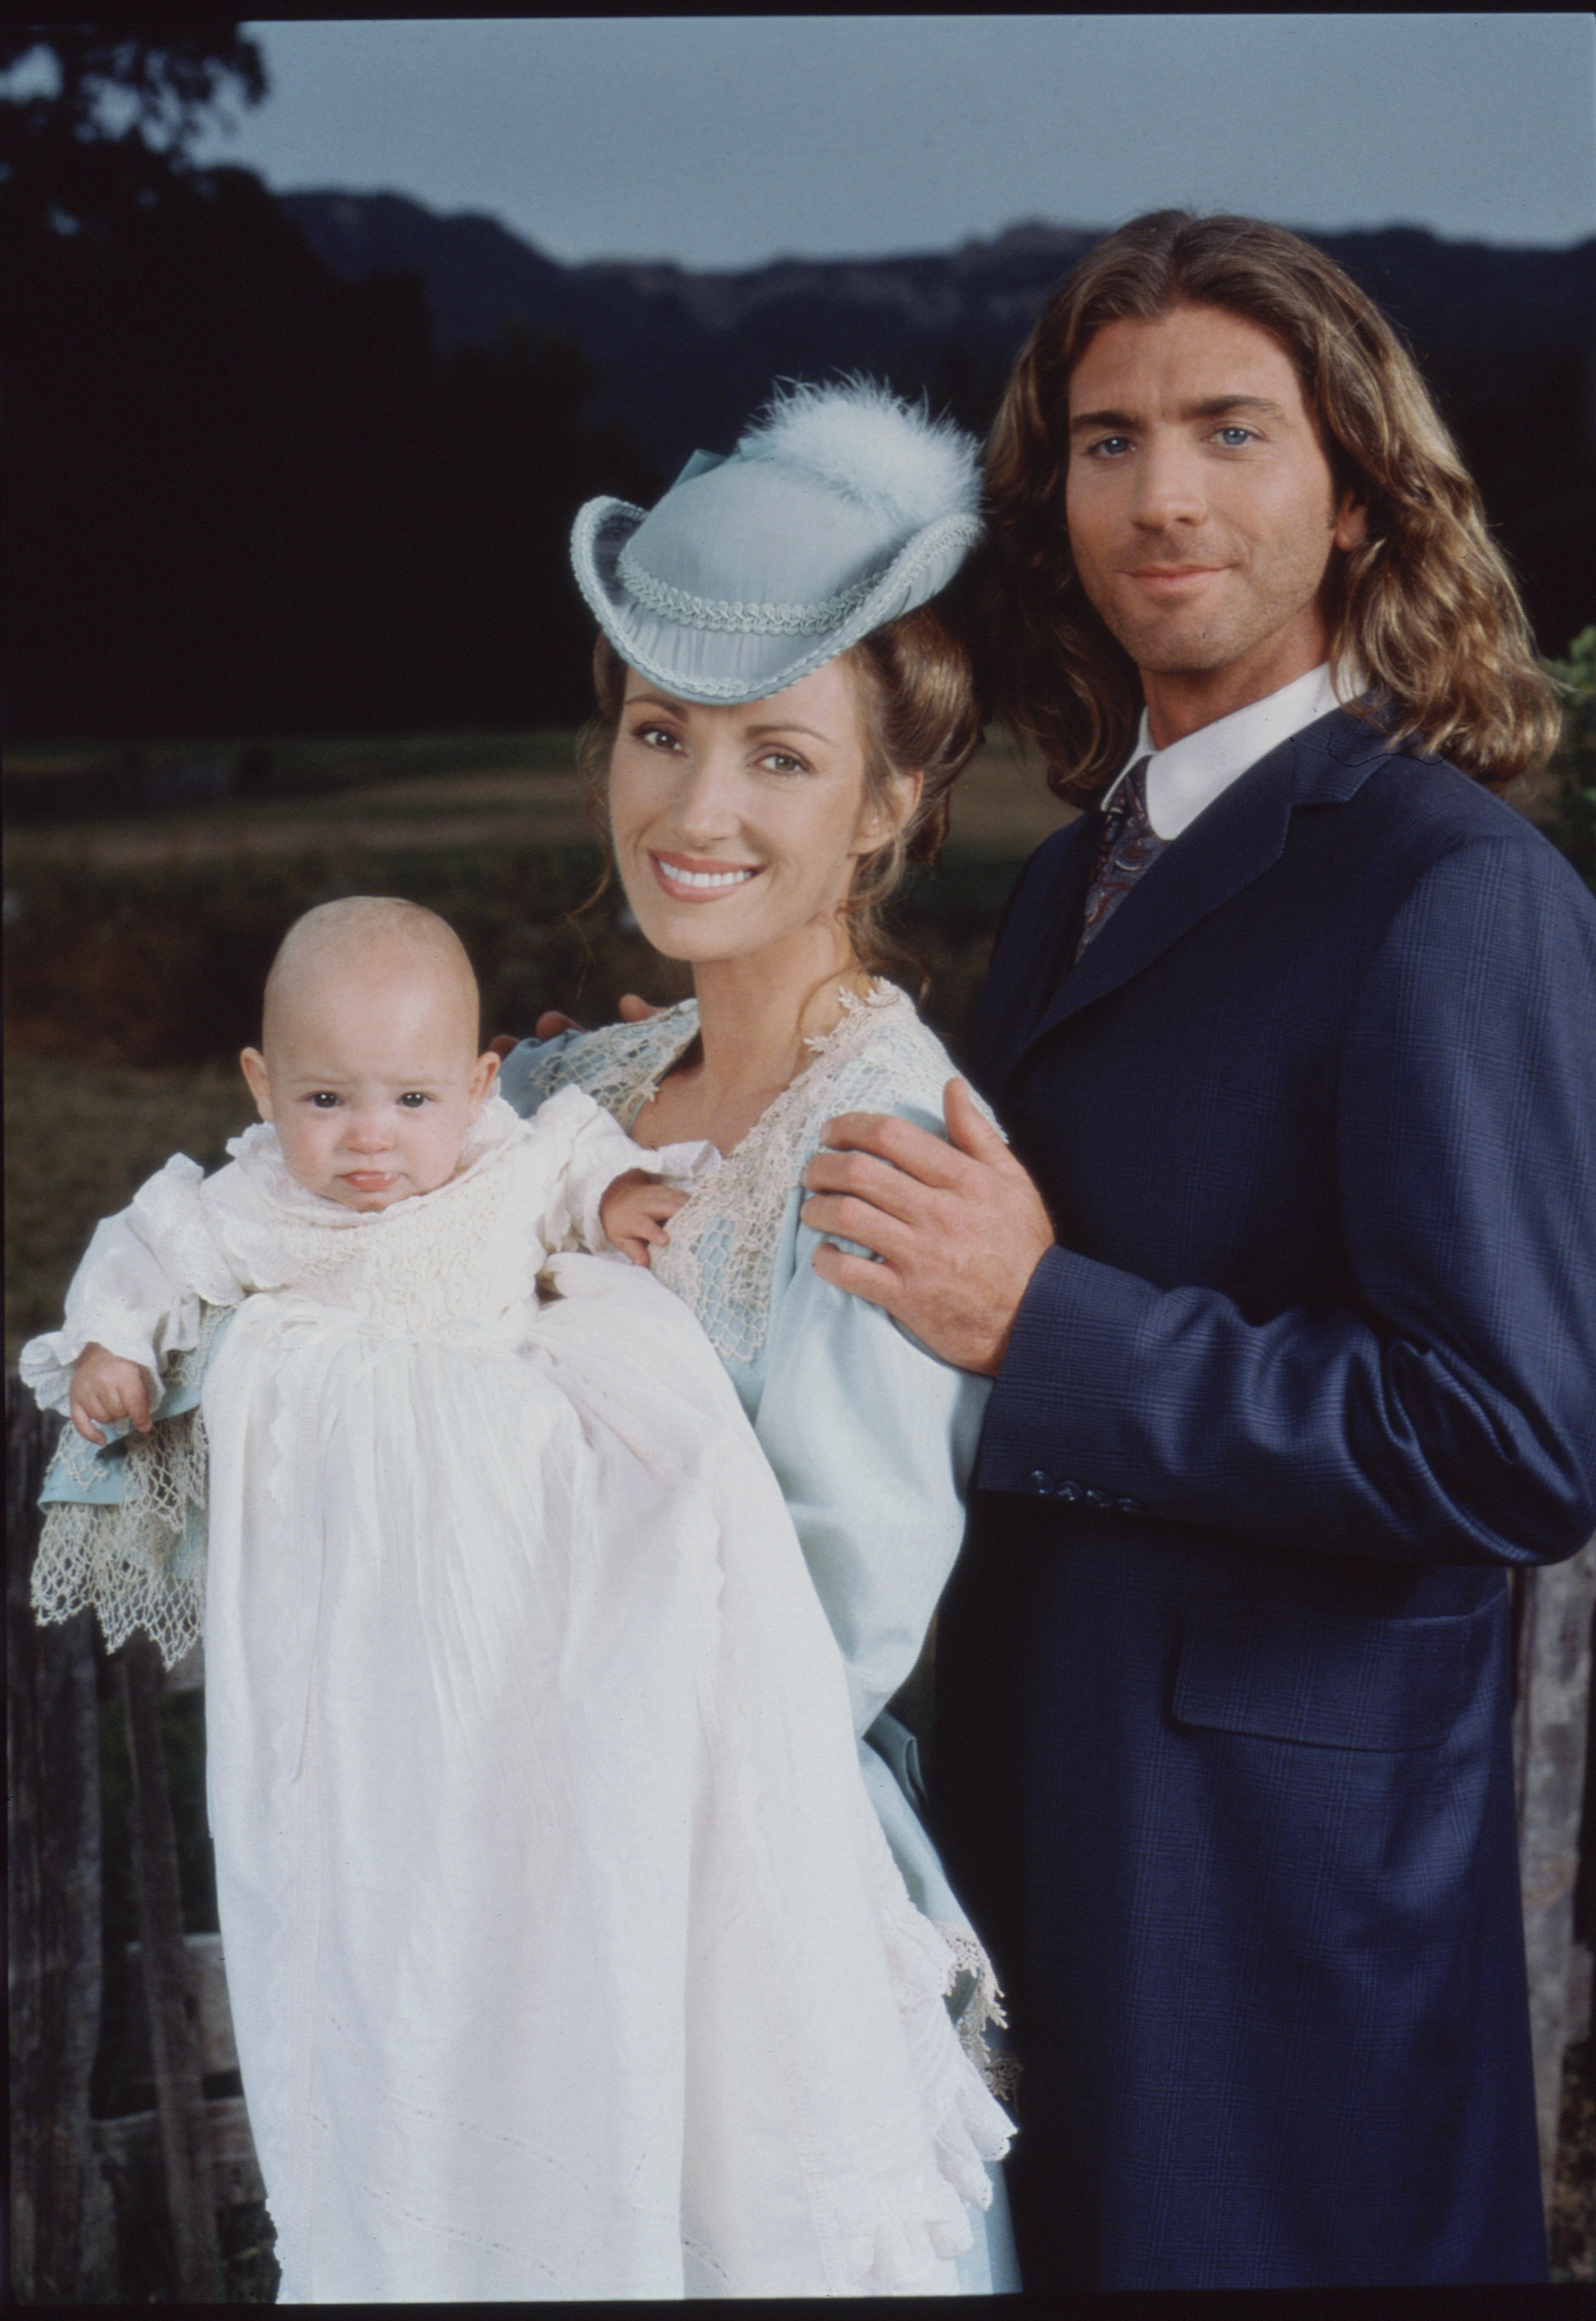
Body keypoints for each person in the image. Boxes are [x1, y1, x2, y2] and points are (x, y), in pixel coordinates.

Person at [796, 211, 1596, 2290]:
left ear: (1352, 497)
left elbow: (1505, 1436)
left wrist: (1041, 1323)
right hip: (1041, 1813)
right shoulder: (1070, 874)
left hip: (1275, 1886)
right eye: (1102, 437)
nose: (1157, 491)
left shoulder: (1445, 887)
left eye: (1229, 431)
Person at [22, 895, 1012, 2302]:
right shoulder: (246, 1196)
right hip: (388, 1581)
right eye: (324, 1097)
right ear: (259, 1086)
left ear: (479, 1084)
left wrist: (614, 1201)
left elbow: (578, 1166)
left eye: (412, 1096)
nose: (371, 1138)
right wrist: (114, 1347)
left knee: (659, 1489)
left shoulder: (507, 1149)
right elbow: (145, 1251)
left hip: (524, 1511)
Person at [494, 377, 1022, 2292]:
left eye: (777, 757)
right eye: (657, 733)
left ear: (891, 797)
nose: (692, 808)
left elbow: (824, 1627)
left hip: (730, 1921)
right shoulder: (564, 1085)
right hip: (518, 1885)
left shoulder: (882, 1143)